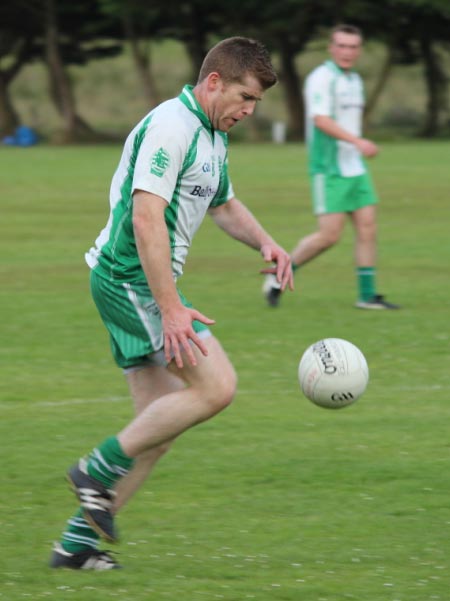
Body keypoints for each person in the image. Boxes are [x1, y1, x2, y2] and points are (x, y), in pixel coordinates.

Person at [49, 36, 293, 570]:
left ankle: (74, 548)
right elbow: (145, 217)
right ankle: (94, 469)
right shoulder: (172, 126)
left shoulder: (212, 135)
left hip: (141, 283)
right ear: (213, 83)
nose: (250, 111)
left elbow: (223, 205)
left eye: (256, 103)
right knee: (217, 385)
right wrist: (171, 308)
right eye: (245, 98)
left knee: (156, 430)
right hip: (129, 279)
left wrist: (267, 242)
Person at [263, 24, 399, 310]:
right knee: (328, 236)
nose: (347, 52)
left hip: (355, 167)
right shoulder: (322, 78)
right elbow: (320, 120)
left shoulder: (354, 80)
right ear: (331, 48)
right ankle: (279, 275)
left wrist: (357, 147)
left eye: (353, 47)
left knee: (367, 228)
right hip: (329, 168)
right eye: (342, 45)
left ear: (358, 50)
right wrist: (358, 141)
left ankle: (367, 296)